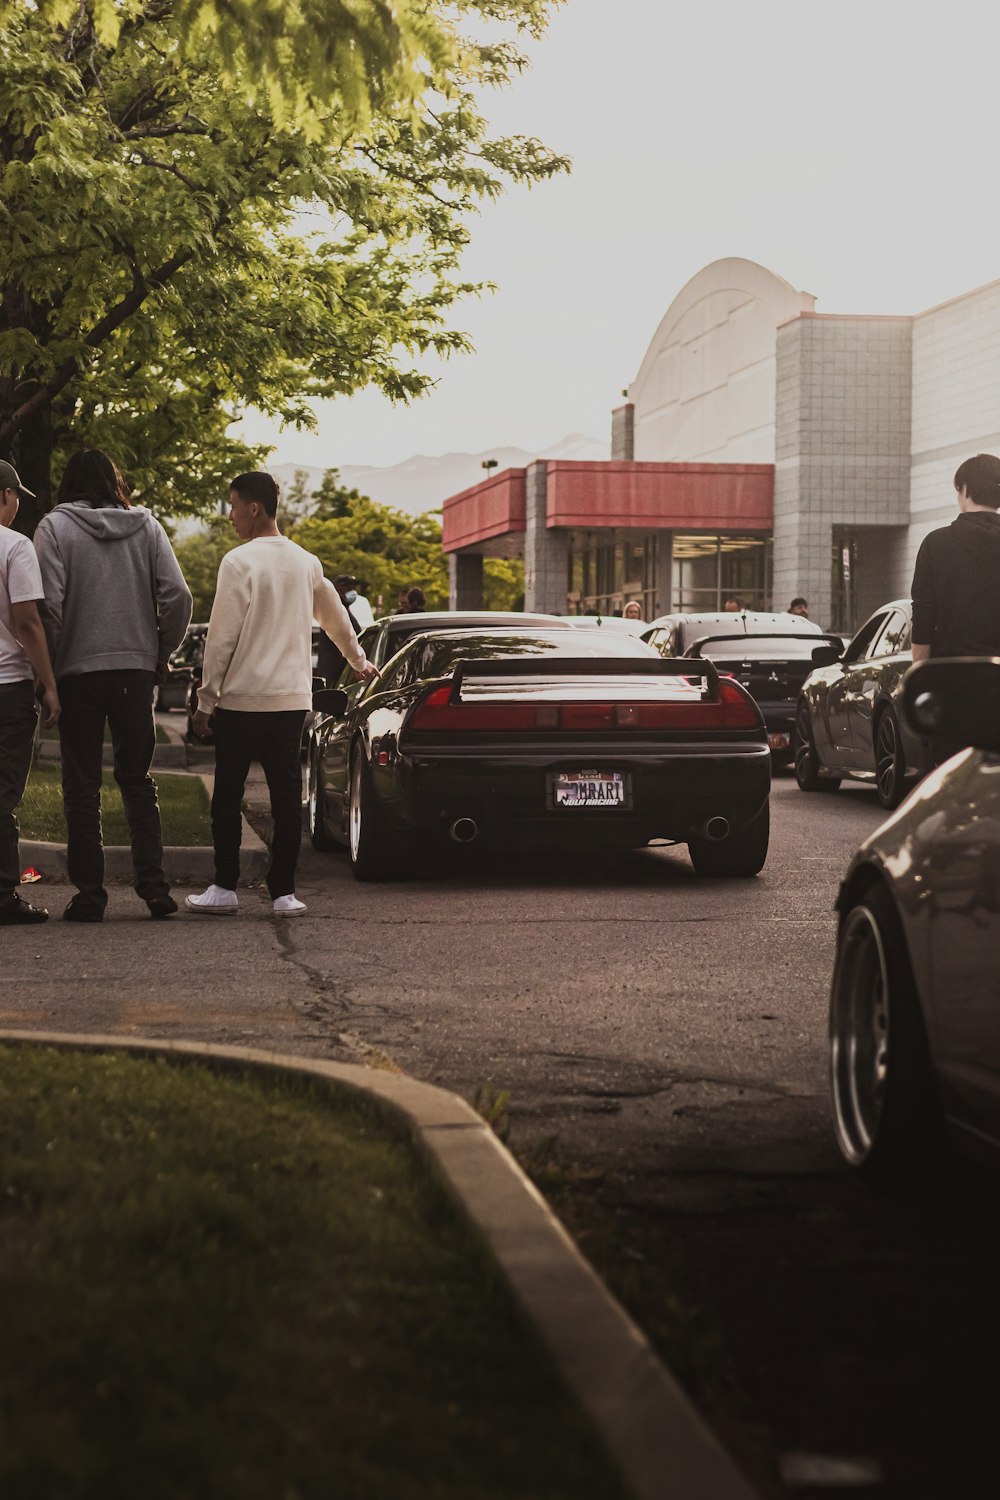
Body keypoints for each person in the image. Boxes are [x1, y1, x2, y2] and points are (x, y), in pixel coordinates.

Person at [186, 472, 378, 919]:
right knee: (287, 796)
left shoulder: (238, 563)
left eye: (233, 505)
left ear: (254, 508)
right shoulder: (306, 562)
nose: (230, 515)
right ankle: (283, 892)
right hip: (291, 702)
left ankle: (223, 886)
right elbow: (335, 617)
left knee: (228, 795)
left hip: (240, 701)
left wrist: (206, 700)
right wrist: (358, 660)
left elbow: (221, 639)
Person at [34, 450, 192, 922]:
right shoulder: (147, 527)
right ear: (114, 481)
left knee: (81, 784)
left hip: (77, 674)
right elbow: (177, 595)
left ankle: (91, 895)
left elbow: (50, 608)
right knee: (137, 780)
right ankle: (154, 887)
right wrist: (160, 652)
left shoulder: (54, 529)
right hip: (134, 672)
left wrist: (52, 670)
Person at [0, 461, 60, 926]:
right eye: (16, 495)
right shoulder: (15, 546)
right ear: (4, 496)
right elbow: (27, 621)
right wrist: (50, 685)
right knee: (3, 793)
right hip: (7, 688)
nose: (18, 504)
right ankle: (3, 895)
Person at [911, 453, 1000, 663]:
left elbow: (923, 618)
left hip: (949, 677)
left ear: (965, 489)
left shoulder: (936, 544)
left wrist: (920, 674)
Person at [316, 574, 362, 685]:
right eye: (347, 588)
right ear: (336, 589)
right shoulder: (334, 611)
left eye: (353, 588)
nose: (352, 591)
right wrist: (359, 663)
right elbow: (344, 637)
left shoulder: (345, 610)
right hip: (336, 672)